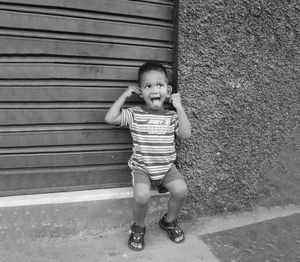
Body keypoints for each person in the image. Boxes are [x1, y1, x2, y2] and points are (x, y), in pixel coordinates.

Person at [105, 61, 191, 251]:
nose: (154, 90)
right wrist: (125, 95)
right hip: (142, 167)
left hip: (167, 168)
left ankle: (168, 221)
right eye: (148, 86)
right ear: (141, 92)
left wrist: (179, 107)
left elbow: (185, 134)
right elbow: (110, 118)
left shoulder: (171, 116)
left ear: (168, 91)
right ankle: (139, 226)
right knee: (142, 196)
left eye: (159, 85)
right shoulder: (135, 114)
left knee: (181, 190)